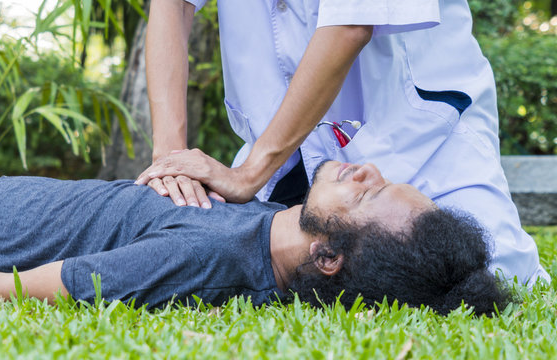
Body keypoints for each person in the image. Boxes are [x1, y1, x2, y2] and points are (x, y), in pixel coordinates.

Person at [137, 0, 549, 287]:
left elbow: (351, 24)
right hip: (290, 154)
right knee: (227, 266)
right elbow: (171, 4)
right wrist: (171, 164)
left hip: (417, 135)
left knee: (497, 273)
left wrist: (249, 174)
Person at [0, 159, 508, 316]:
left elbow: (17, 289)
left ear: (328, 257)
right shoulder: (273, 215)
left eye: (368, 197)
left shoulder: (207, 257)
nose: (366, 173)